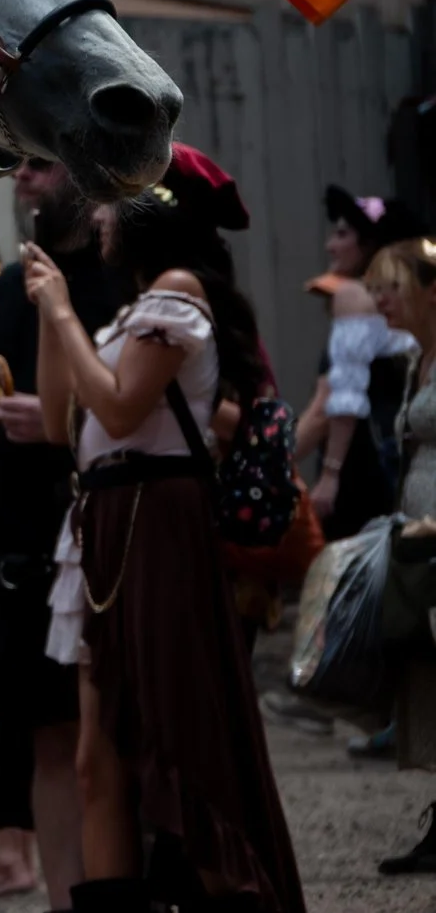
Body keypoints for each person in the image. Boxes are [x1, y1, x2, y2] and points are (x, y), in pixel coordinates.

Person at [29, 145, 304, 913]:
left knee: (183, 746)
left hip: (157, 517)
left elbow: (117, 408)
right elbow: (61, 419)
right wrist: (57, 315)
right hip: (106, 523)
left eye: (111, 202)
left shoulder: (179, 292)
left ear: (154, 211)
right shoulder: (126, 311)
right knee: (97, 760)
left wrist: (57, 310)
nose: (100, 216)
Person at [0, 156, 116, 910]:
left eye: (39, 164)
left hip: (102, 533)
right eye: (14, 164)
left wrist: (57, 422)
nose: (20, 176)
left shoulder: (117, 280)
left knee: (114, 741)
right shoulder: (3, 282)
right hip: (21, 538)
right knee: (46, 740)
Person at [295, 187, 423, 540]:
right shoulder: (410, 301)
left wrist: (330, 474)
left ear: (368, 243)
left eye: (341, 234)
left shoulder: (353, 296)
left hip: (363, 458)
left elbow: (339, 397)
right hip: (402, 454)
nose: (330, 246)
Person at [370, 236, 436, 875]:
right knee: (426, 674)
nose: (381, 300)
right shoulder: (418, 359)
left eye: (393, 286)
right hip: (418, 536)